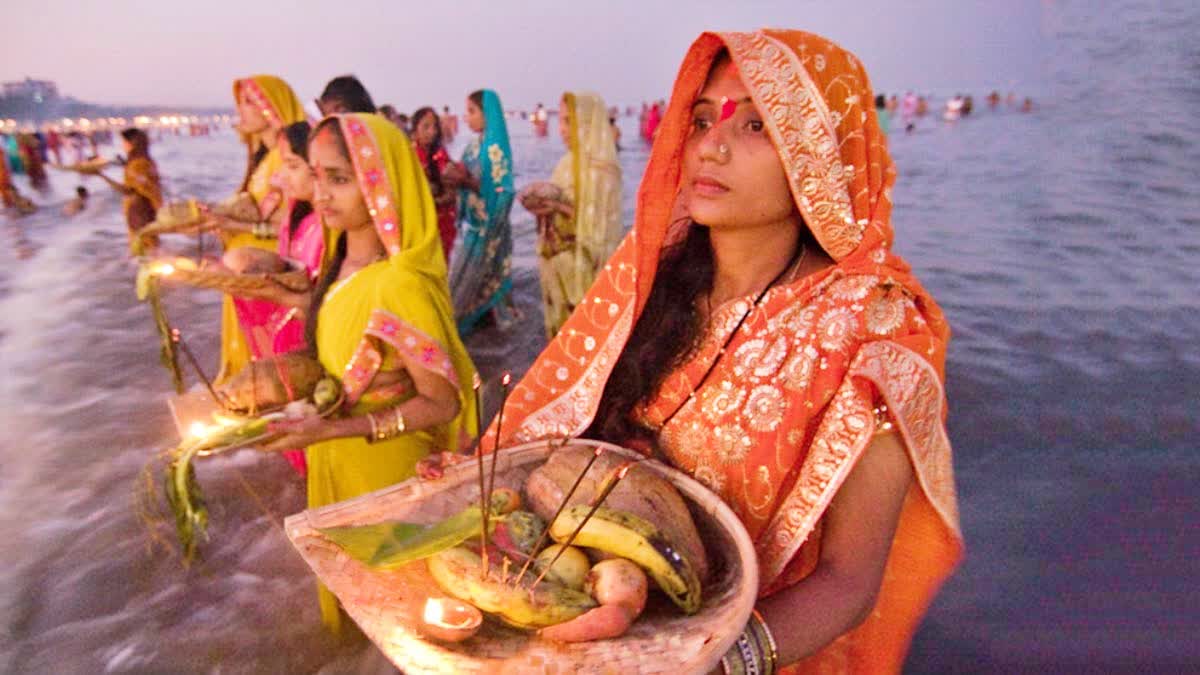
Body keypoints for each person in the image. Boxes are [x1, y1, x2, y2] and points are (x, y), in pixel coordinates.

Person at [474, 30, 961, 674]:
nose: (712, 145)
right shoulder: (650, 277)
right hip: (604, 605)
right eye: (702, 119)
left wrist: (705, 661)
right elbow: (563, 424)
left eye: (757, 125)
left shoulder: (873, 327)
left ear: (821, 155)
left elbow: (849, 579)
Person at [260, 113, 478, 634]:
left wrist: (333, 428)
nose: (323, 192)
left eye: (340, 178)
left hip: (385, 476)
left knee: (399, 611)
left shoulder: (398, 284)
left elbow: (442, 403)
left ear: (382, 185)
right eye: (318, 176)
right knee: (359, 598)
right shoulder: (340, 268)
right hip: (336, 458)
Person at [207, 75, 307, 384]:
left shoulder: (284, 159)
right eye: (240, 103)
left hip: (267, 266)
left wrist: (230, 224)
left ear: (271, 106)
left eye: (249, 102)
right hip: (247, 263)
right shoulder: (264, 158)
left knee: (268, 355)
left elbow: (290, 223)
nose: (241, 110)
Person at [524, 91, 623, 338]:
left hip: (583, 273)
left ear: (588, 122)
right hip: (558, 267)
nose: (562, 130)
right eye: (562, 121)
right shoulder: (566, 163)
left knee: (586, 338)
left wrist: (559, 207)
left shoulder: (603, 171)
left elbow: (600, 236)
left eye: (570, 121)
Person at [443, 89, 517, 336]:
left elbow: (501, 190)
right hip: (474, 228)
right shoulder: (474, 145)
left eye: (472, 112)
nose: (467, 118)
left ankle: (479, 332)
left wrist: (466, 181)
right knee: (468, 282)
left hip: (489, 228)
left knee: (479, 281)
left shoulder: (495, 149)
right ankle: (480, 329)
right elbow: (464, 170)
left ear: (488, 114)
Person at [95, 128, 163, 250]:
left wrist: (101, 175)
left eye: (124, 142)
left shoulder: (137, 164)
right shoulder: (146, 160)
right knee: (150, 244)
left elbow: (128, 190)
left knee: (143, 246)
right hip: (148, 209)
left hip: (139, 211)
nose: (122, 145)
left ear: (132, 143)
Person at [410, 106, 459, 259]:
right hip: (420, 222)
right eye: (426, 127)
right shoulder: (409, 156)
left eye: (435, 127)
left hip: (444, 220)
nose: (432, 131)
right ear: (415, 130)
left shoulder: (441, 154)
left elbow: (452, 194)